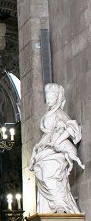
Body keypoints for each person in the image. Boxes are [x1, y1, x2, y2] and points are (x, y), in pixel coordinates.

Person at [29, 83, 85, 213]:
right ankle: (55, 204)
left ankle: (60, 204)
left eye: (51, 95)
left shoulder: (60, 113)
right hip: (45, 147)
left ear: (58, 97)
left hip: (55, 152)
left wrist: (58, 140)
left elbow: (70, 127)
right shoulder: (48, 114)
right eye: (47, 95)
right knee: (40, 173)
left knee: (49, 176)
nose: (48, 98)